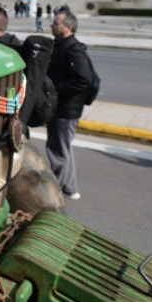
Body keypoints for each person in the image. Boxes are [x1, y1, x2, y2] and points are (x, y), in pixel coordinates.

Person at [46, 11, 93, 201]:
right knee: (62, 148)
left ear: (68, 27)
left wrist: (55, 89)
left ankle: (55, 195)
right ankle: (70, 188)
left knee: (57, 150)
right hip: (63, 107)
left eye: (56, 23)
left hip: (66, 108)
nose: (52, 25)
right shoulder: (62, 45)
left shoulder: (73, 49)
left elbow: (84, 79)